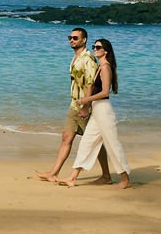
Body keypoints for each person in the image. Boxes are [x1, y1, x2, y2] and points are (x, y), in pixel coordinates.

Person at [36, 28, 110, 183]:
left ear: (84, 40)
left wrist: (86, 106)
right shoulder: (76, 57)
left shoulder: (88, 59)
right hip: (74, 104)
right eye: (70, 37)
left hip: (85, 105)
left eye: (75, 38)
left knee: (94, 141)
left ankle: (106, 175)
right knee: (66, 137)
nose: (71, 40)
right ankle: (53, 173)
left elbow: (90, 84)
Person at [59, 38, 132, 189]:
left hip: (104, 110)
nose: (95, 49)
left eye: (98, 47)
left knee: (112, 145)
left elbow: (105, 92)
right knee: (87, 142)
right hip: (97, 110)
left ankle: (125, 179)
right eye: (94, 46)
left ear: (106, 51)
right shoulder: (100, 66)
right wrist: (87, 105)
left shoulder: (105, 67)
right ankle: (72, 178)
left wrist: (85, 100)